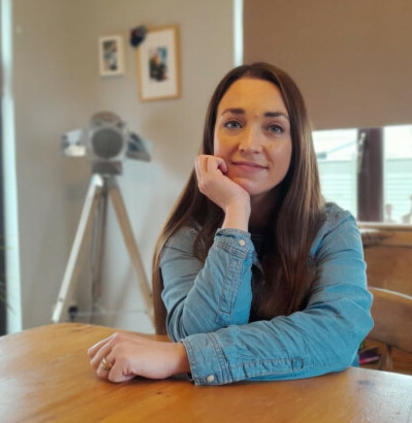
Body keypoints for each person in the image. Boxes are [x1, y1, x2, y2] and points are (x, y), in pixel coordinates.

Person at [88, 62, 373, 385]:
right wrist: (236, 213)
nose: (250, 144)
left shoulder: (333, 229)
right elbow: (202, 332)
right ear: (211, 137)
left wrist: (184, 356)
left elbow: (337, 335)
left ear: (298, 146)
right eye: (234, 123)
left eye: (275, 128)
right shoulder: (184, 236)